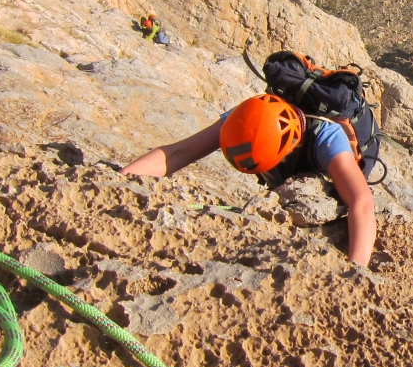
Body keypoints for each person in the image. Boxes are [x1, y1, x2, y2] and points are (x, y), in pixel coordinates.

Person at [120, 94, 376, 264]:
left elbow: (361, 202)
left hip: (321, 188)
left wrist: (355, 271)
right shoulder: (243, 119)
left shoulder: (327, 137)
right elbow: (179, 152)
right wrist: (122, 181)